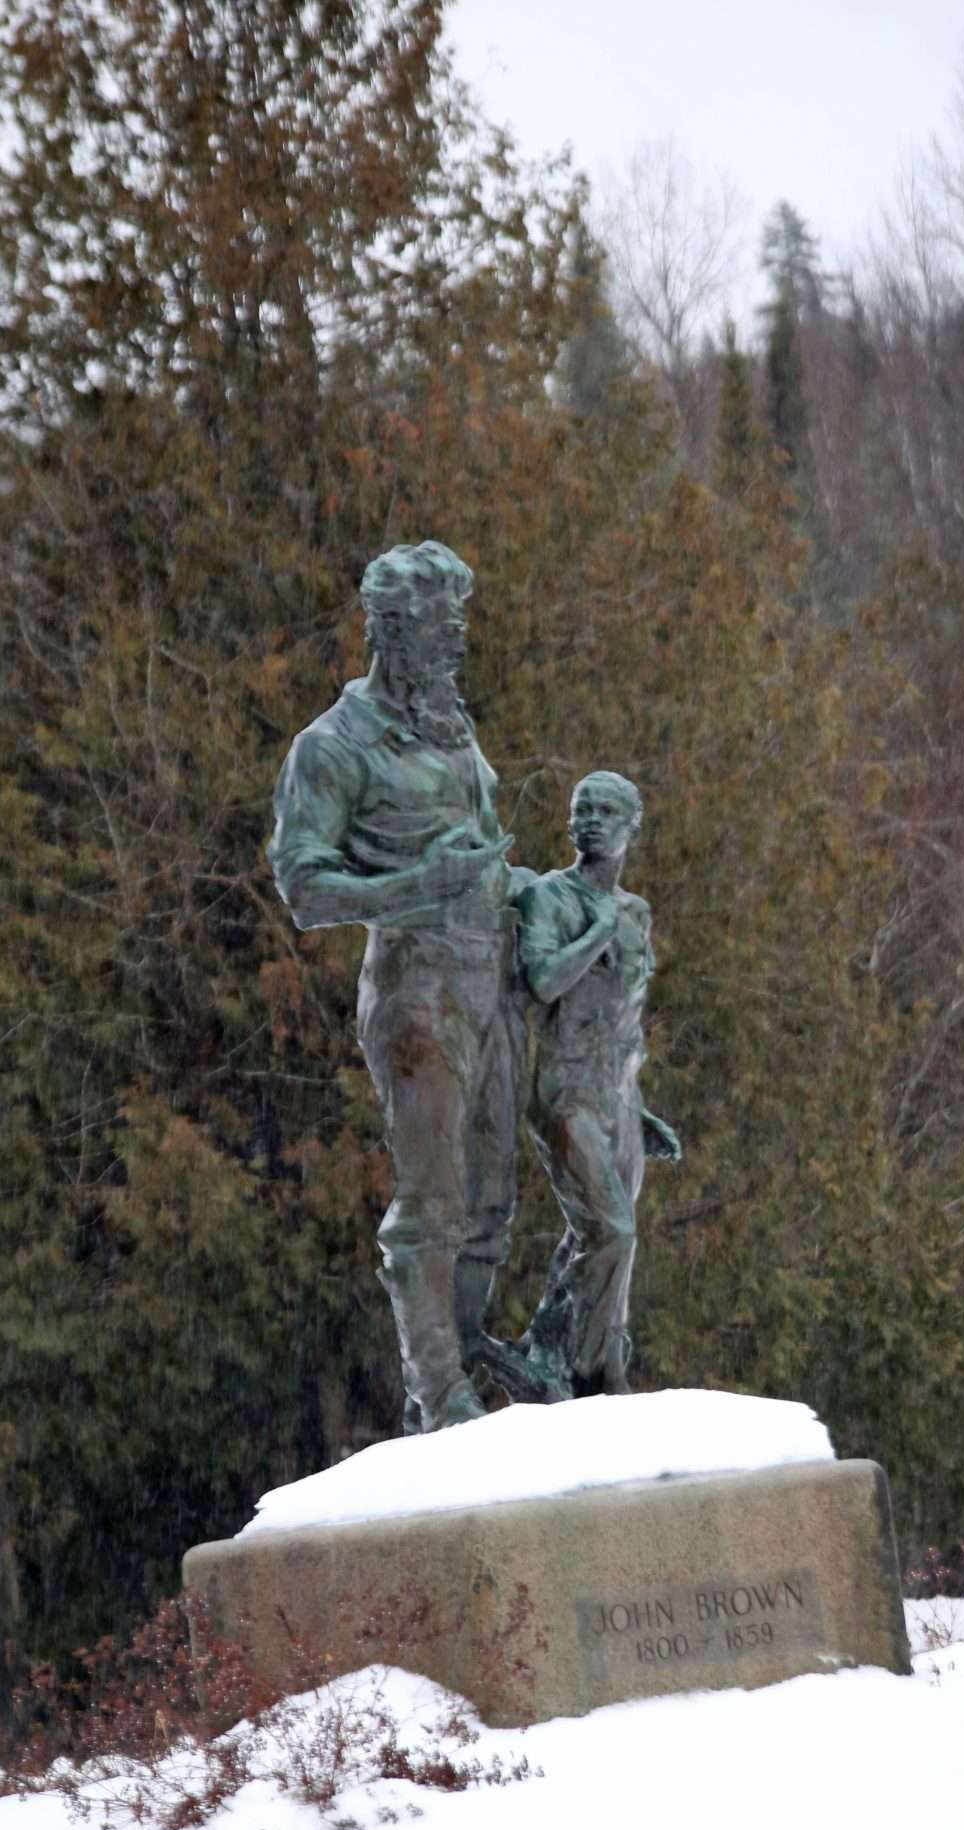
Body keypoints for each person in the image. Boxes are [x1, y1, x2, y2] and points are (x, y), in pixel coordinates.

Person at [269, 541, 517, 1432]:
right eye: (434, 632)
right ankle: (437, 1390)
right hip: (417, 991)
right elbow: (303, 889)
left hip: (490, 978)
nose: (453, 648)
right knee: (436, 1197)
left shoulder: (450, 719)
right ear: (388, 632)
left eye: (458, 629)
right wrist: (413, 889)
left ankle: (467, 1355)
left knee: (493, 1199)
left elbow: (480, 845)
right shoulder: (331, 747)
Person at [515, 771, 681, 1397]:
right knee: (613, 1230)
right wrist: (595, 933)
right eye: (582, 809)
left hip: (619, 1094)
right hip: (564, 1092)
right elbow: (542, 983)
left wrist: (640, 1110)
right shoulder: (549, 899)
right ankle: (590, 1383)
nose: (590, 820)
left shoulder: (638, 912)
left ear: (631, 825)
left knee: (597, 1239)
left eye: (605, 811)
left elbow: (626, 1020)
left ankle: (568, 1354)